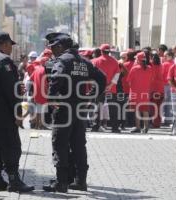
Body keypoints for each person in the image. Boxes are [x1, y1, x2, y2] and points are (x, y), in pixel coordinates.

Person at [43, 33, 106, 193]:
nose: (52, 52)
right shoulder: (85, 61)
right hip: (80, 109)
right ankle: (80, 181)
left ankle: (61, 182)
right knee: (79, 145)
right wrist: (91, 95)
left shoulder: (62, 60)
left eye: (53, 48)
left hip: (63, 109)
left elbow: (56, 80)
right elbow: (102, 78)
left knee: (60, 144)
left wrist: (52, 99)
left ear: (60, 46)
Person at [0, 31, 34, 192]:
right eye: (10, 44)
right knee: (12, 144)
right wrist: (18, 113)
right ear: (4, 44)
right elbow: (13, 91)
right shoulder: (4, 60)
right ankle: (14, 180)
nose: (11, 48)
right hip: (3, 109)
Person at [91, 44, 121, 133]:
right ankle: (115, 127)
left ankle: (95, 126)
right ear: (109, 51)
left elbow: (92, 75)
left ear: (101, 51)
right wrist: (110, 85)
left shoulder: (95, 61)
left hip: (98, 88)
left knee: (97, 107)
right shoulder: (115, 61)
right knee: (113, 108)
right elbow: (117, 75)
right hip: (111, 89)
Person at [127, 52, 154, 134]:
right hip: (145, 93)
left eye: (136, 59)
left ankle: (138, 127)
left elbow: (129, 81)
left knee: (137, 110)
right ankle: (146, 127)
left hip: (135, 93)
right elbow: (151, 80)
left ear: (138, 60)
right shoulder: (149, 68)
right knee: (145, 110)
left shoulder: (134, 69)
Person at [29, 60, 48, 129]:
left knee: (38, 109)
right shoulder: (45, 70)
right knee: (42, 110)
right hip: (44, 92)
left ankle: (37, 125)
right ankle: (41, 125)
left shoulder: (36, 70)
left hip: (36, 92)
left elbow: (30, 79)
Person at [150, 53, 164, 128]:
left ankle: (155, 123)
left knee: (154, 107)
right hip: (161, 88)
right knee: (158, 107)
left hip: (153, 88)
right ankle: (158, 122)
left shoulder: (151, 65)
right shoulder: (161, 65)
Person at [162, 49, 174, 126]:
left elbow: (161, 75)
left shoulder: (164, 64)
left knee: (163, 103)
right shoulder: (174, 64)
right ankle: (168, 119)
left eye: (166, 56)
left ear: (170, 56)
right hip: (172, 85)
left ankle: (164, 119)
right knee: (170, 103)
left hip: (164, 85)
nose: (164, 57)